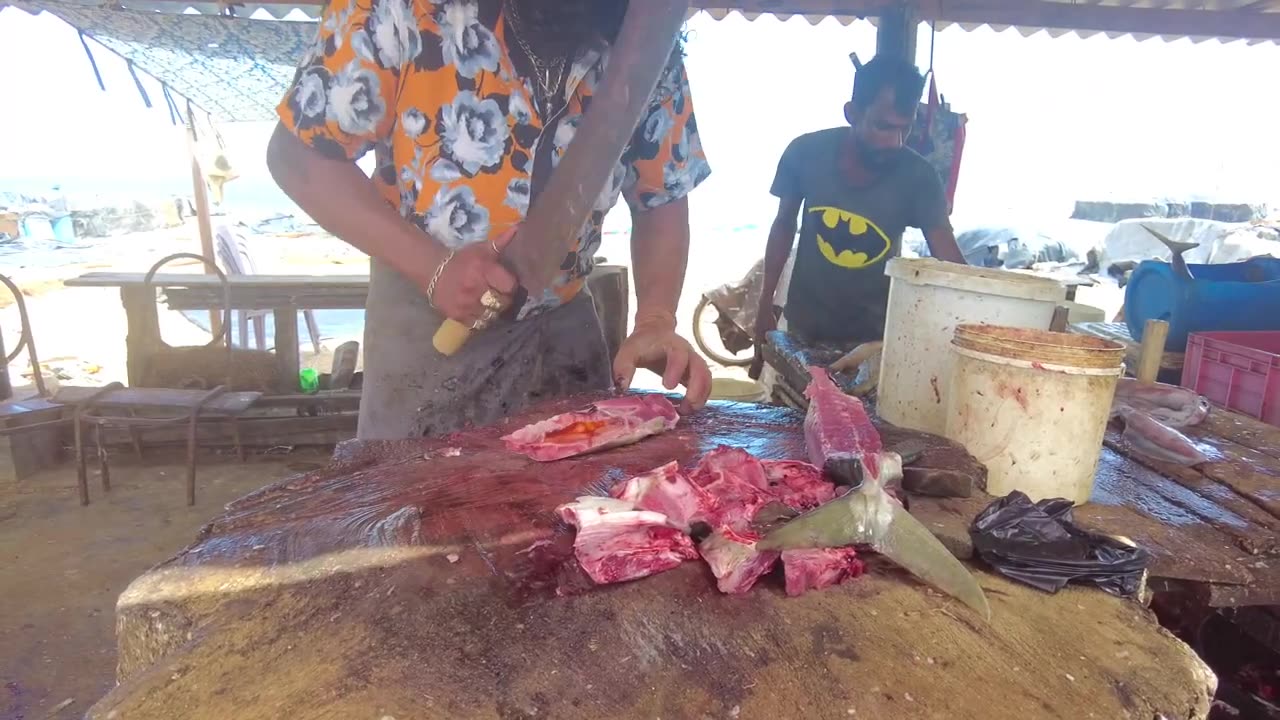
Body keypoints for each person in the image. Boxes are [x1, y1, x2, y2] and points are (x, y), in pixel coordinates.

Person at [267, 0, 713, 440]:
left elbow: (662, 195)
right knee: (416, 502)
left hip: (565, 334)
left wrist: (656, 319)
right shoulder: (398, 9)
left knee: (577, 505)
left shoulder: (643, 34)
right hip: (427, 334)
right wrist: (433, 268)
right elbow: (298, 156)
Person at [752, 54, 966, 379]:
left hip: (873, 345)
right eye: (883, 126)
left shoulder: (919, 177)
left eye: (904, 129)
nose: (895, 142)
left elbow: (950, 265)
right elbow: (784, 224)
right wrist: (765, 302)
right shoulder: (805, 153)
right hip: (802, 330)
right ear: (852, 113)